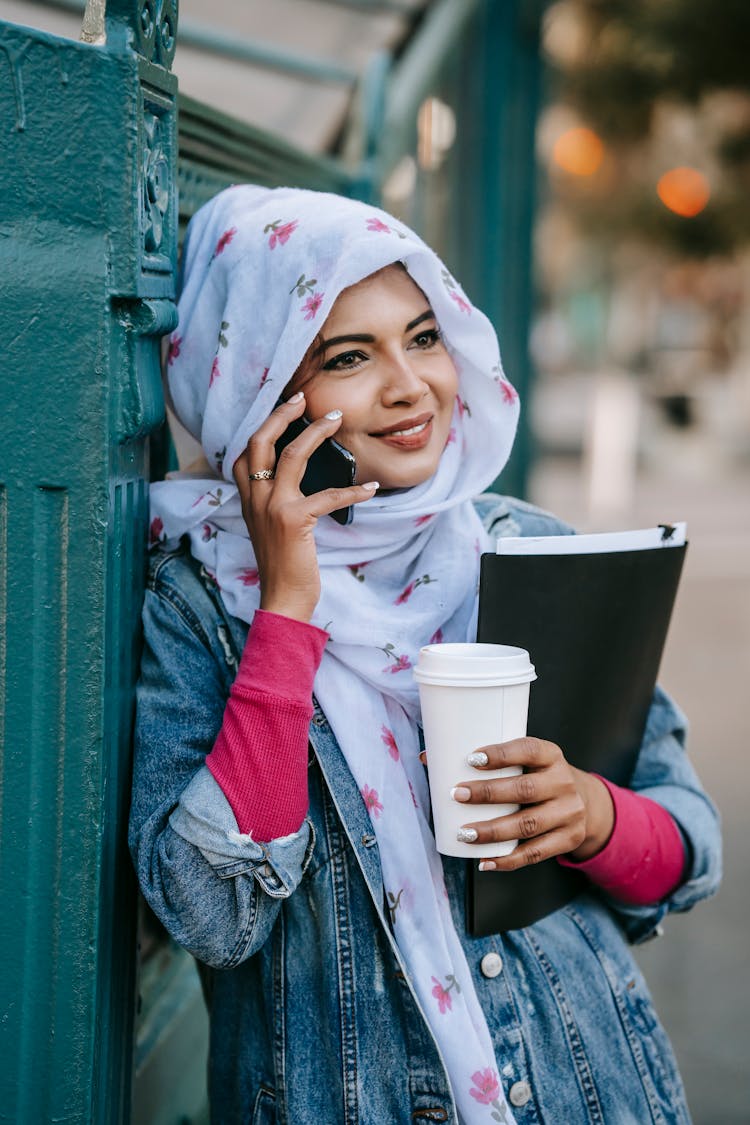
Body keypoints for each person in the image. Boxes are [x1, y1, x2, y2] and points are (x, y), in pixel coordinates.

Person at [130, 185, 721, 1125]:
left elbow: (690, 848)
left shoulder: (530, 552)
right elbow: (211, 916)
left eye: (424, 335)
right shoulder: (200, 606)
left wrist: (596, 816)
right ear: (256, 385)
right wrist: (287, 611)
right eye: (348, 357)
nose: (410, 386)